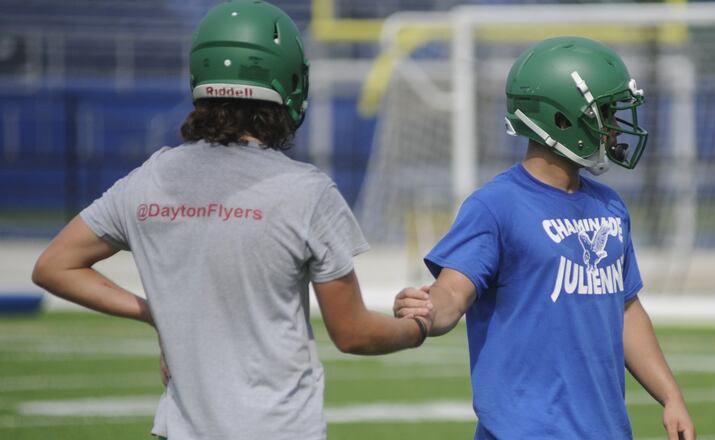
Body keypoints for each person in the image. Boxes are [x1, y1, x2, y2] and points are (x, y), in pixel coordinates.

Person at [31, 2, 430, 439]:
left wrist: (154, 314)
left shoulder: (148, 179)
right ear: (291, 83)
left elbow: (54, 266)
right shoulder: (308, 192)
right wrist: (417, 327)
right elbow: (353, 333)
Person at [394, 36, 695, 440]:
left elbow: (625, 310)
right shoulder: (495, 205)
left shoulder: (609, 205)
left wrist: (671, 396)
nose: (613, 127)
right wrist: (429, 309)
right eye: (604, 113)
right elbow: (453, 292)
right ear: (562, 119)